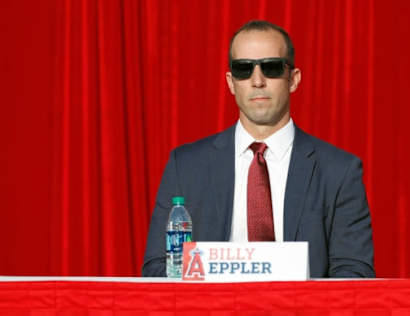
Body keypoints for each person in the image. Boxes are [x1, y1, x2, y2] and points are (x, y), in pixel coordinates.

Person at [142, 20, 375, 278]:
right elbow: (158, 269)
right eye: (243, 69)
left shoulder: (339, 171)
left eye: (271, 67)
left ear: (293, 79)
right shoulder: (185, 166)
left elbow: (354, 278)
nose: (257, 80)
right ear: (231, 82)